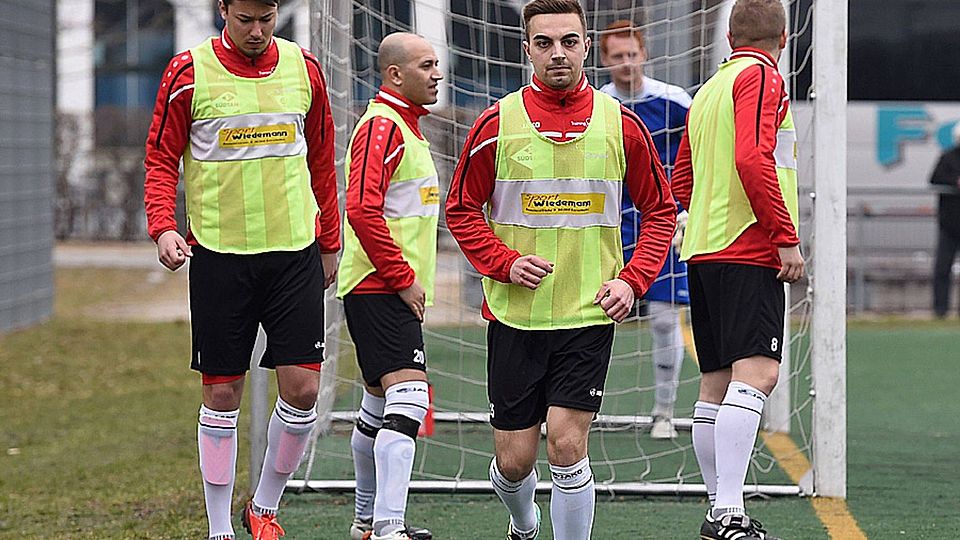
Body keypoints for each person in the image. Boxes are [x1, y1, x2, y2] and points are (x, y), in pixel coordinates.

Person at [445, 0, 676, 537]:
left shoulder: (622, 124)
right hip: (516, 317)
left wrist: (632, 280)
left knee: (568, 445)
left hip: (588, 313)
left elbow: (661, 211)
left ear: (586, 47)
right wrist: (504, 263)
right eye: (544, 43)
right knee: (514, 462)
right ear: (526, 49)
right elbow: (461, 208)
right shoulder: (495, 124)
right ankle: (524, 523)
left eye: (569, 41)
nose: (557, 53)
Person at [143, 1, 340, 539]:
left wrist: (329, 240)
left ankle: (264, 507)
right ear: (223, 10)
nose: (256, 31)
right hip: (219, 255)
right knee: (223, 395)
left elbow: (321, 159)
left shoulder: (304, 68)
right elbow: (161, 158)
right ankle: (218, 528)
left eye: (266, 18)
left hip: (294, 253)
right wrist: (163, 227)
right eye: (245, 19)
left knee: (303, 390)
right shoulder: (188, 72)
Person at [671, 1, 804, 539]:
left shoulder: (708, 90)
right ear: (784, 37)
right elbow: (753, 158)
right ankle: (728, 512)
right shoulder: (763, 77)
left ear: (729, 38)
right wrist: (785, 236)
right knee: (759, 376)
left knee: (716, 383)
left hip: (705, 249)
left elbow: (682, 175)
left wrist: (702, 215)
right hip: (747, 247)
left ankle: (719, 508)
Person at [336, 32, 442, 540]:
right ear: (395, 74)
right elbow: (361, 208)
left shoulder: (407, 126)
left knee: (379, 405)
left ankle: (365, 521)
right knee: (410, 398)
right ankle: (387, 525)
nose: (437, 74)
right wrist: (402, 279)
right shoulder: (382, 125)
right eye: (426, 65)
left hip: (384, 287)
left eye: (436, 64)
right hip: (379, 287)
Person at [599, 20, 692, 439]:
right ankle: (575, 406)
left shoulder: (675, 102)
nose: (626, 63)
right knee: (589, 317)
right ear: (605, 60)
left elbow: (699, 155)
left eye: (632, 54)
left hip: (662, 224)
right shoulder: (598, 105)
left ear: (645, 54)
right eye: (617, 56)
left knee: (663, 318)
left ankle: (664, 412)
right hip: (607, 225)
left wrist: (687, 209)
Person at [930, 123, 960, 319]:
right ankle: (940, 310)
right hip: (949, 225)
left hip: (949, 223)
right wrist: (955, 181)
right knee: (942, 268)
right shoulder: (948, 157)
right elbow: (934, 178)